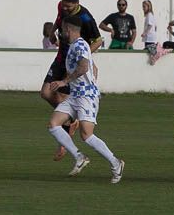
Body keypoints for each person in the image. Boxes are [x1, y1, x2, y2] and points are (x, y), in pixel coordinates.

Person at [45, 15, 125, 183]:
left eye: (62, 29)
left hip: (86, 97)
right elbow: (92, 67)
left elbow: (84, 66)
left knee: (87, 135)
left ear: (68, 29)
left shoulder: (80, 45)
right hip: (75, 95)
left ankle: (116, 163)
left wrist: (64, 81)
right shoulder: (75, 45)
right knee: (53, 124)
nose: (61, 32)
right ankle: (79, 156)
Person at [41, 0, 102, 160]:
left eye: (69, 6)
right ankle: (70, 120)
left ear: (77, 3)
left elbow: (98, 41)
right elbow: (58, 19)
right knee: (45, 93)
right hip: (61, 57)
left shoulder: (86, 18)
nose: (65, 8)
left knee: (62, 96)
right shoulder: (61, 6)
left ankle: (68, 123)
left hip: (73, 63)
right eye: (64, 5)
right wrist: (52, 33)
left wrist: (86, 58)